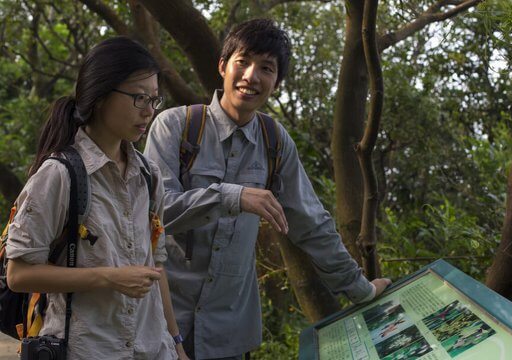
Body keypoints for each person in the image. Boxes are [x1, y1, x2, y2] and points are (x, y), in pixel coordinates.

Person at [144, 19, 392, 359]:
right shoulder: (176, 126)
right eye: (242, 62)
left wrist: (360, 290)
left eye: (266, 68)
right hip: (161, 326)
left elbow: (311, 223)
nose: (251, 76)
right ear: (222, 66)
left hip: (228, 335)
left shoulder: (275, 143)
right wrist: (234, 195)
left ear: (276, 81)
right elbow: (156, 213)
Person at [6, 37, 189, 360]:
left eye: (154, 100)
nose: (148, 111)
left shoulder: (149, 175)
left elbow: (155, 270)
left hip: (153, 349)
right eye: (138, 98)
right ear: (101, 95)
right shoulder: (60, 175)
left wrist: (176, 344)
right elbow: (18, 275)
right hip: (87, 350)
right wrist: (109, 277)